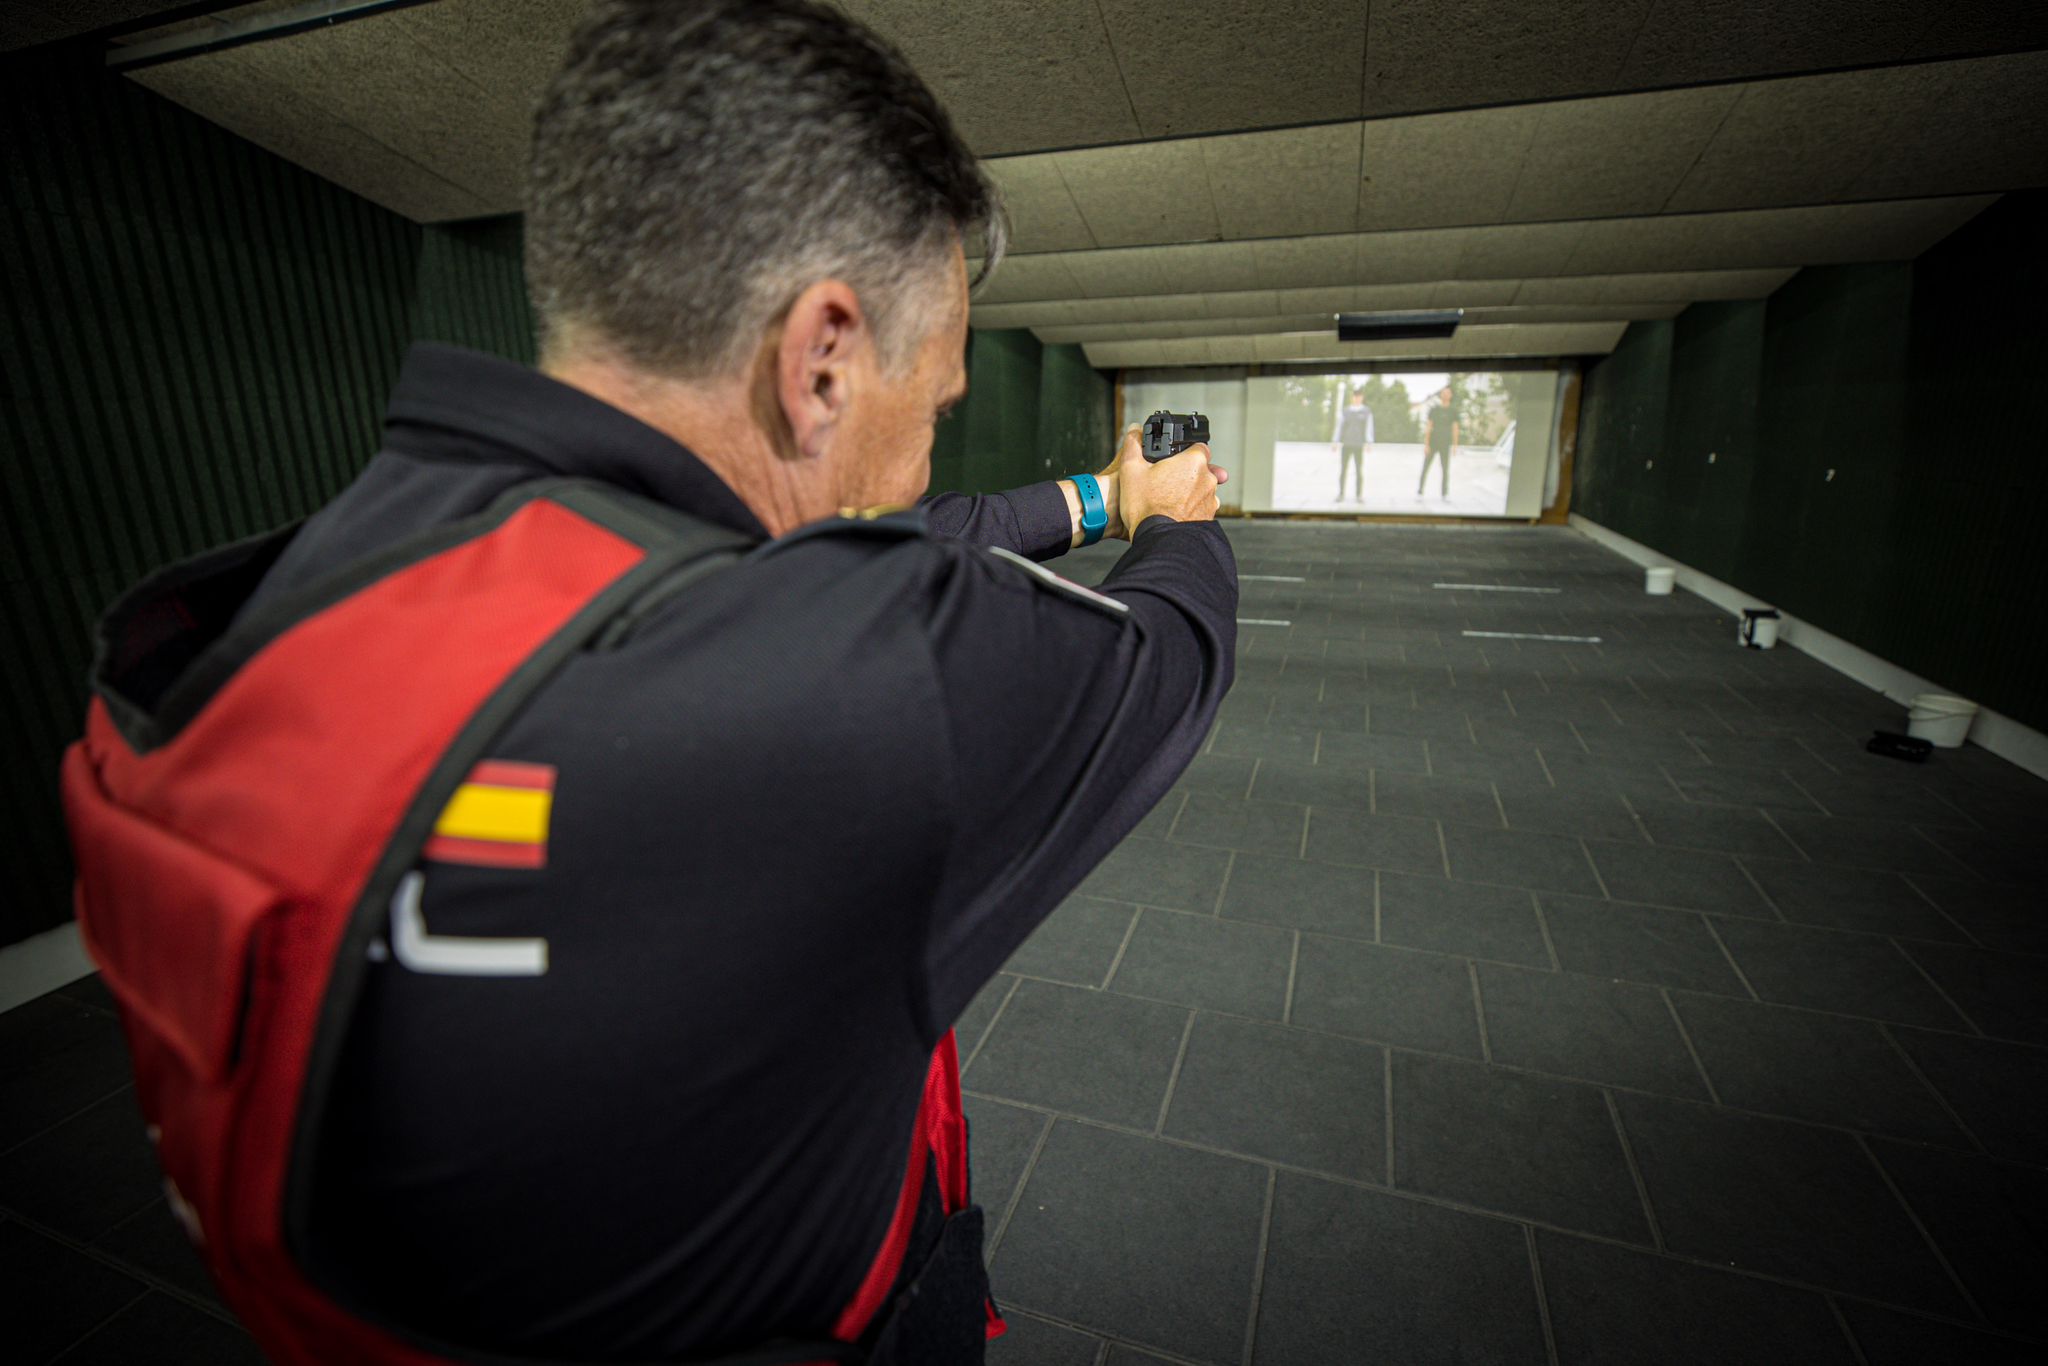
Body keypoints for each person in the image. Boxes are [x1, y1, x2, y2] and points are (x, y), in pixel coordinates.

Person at [58, 2, 1236, 1363]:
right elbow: (1169, 659)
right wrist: (1175, 526)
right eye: (938, 393)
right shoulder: (864, 685)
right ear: (824, 358)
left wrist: (1094, 494)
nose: (927, 451)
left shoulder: (291, 592)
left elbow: (858, 540)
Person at [1419, 382, 1458, 499]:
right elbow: (1429, 426)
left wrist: (1455, 445)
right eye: (1443, 393)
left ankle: (1444, 493)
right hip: (1433, 442)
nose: (1445, 395)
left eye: (1448, 393)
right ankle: (1420, 491)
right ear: (1441, 395)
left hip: (1445, 443)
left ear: (1451, 395)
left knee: (1445, 469)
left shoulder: (1453, 411)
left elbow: (1455, 428)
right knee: (1425, 467)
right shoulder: (1434, 410)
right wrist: (1426, 444)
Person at [1335, 387, 1373, 502]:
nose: (1357, 398)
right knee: (1343, 469)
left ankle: (1359, 495)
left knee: (1358, 470)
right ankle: (1341, 494)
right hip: (1346, 444)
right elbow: (1339, 426)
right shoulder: (1346, 411)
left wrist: (1368, 442)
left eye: (1359, 396)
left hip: (1358, 445)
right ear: (1352, 398)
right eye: (1355, 396)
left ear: (1362, 398)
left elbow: (1369, 428)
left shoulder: (1366, 411)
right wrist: (1335, 441)